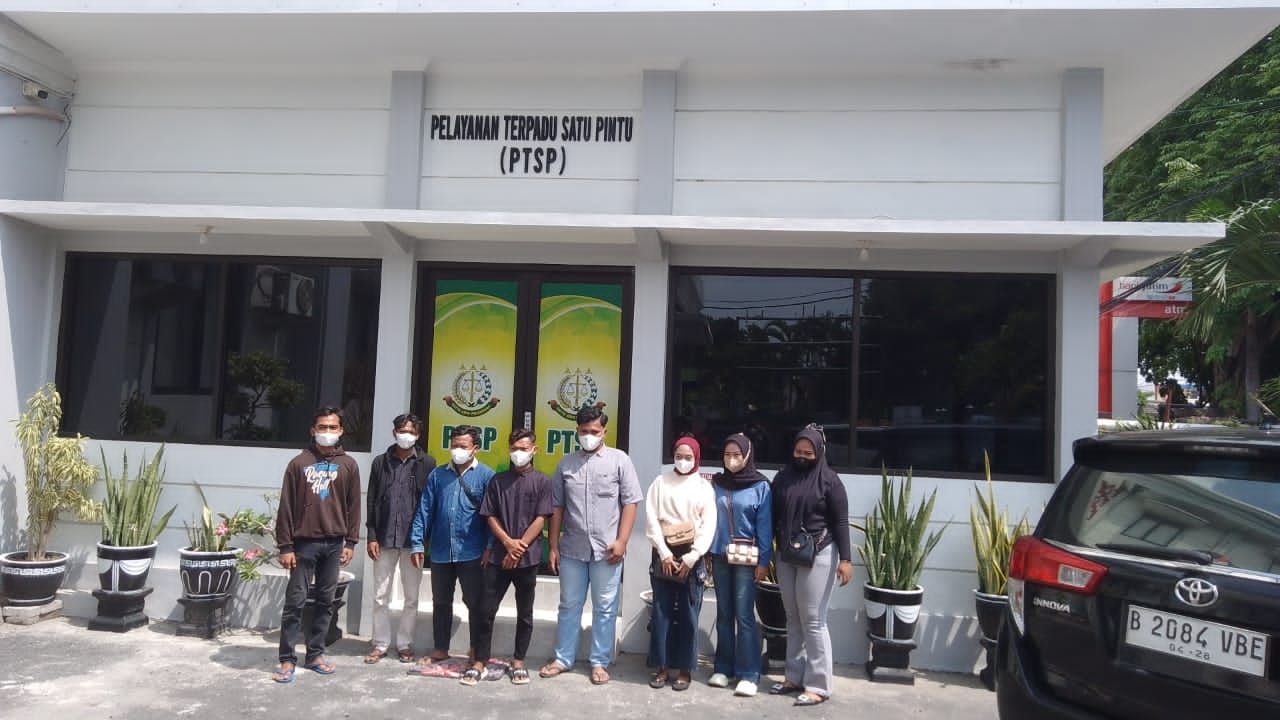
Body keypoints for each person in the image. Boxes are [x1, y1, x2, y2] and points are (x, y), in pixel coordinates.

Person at [539, 405, 642, 686]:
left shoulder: (620, 461)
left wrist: (622, 541)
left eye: (594, 431)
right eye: (584, 431)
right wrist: (553, 545)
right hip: (572, 549)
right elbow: (557, 507)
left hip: (607, 551)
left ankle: (599, 662)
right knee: (568, 605)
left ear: (604, 431)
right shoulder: (566, 464)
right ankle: (563, 658)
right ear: (577, 431)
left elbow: (631, 503)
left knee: (605, 608)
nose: (589, 436)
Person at [272, 406, 362, 684]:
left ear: (341, 430)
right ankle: (287, 658)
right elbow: (286, 506)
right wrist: (285, 546)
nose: (327, 432)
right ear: (313, 430)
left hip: (334, 544)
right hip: (304, 544)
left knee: (326, 601)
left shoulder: (349, 465)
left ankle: (315, 654)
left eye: (332, 427)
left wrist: (351, 542)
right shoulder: (299, 464)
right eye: (322, 427)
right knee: (295, 602)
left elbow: (354, 506)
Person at [769, 424, 853, 706]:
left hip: (819, 553)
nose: (802, 456)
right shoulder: (783, 478)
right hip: (787, 554)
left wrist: (846, 560)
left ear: (819, 452)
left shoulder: (830, 482)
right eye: (798, 451)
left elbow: (841, 522)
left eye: (808, 452)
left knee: (813, 620)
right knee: (792, 617)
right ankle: (793, 677)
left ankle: (819, 685)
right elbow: (773, 516)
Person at [409, 425, 496, 685]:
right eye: (455, 445)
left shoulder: (486, 476)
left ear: (475, 448)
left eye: (463, 446)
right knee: (441, 601)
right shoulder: (438, 475)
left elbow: (492, 516)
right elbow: (425, 509)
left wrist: (489, 547)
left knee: (475, 604)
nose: (457, 450)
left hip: (472, 552)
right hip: (440, 551)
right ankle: (440, 648)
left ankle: (476, 650)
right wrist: (417, 543)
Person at [473, 428, 554, 686]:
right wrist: (508, 543)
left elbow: (541, 518)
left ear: (534, 450)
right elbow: (489, 515)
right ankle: (480, 661)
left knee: (525, 613)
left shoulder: (543, 482)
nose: (519, 453)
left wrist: (519, 548)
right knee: (485, 610)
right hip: (499, 555)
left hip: (528, 559)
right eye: (515, 448)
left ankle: (519, 660)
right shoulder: (498, 481)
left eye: (524, 448)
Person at [644, 435, 716, 692]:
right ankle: (661, 667)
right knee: (662, 612)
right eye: (678, 456)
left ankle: (685, 670)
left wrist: (692, 556)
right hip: (663, 552)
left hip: (692, 555)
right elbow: (651, 519)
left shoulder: (703, 487)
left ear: (696, 458)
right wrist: (664, 553)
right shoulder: (660, 482)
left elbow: (708, 526)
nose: (683, 461)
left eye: (688, 457)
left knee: (688, 614)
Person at [364, 413, 436, 664]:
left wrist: (424, 539)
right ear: (394, 433)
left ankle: (405, 644)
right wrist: (371, 535)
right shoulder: (380, 462)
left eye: (411, 432)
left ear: (418, 435)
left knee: (411, 597)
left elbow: (430, 503)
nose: (406, 436)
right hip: (384, 538)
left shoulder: (427, 463)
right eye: (402, 431)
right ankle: (380, 643)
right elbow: (371, 499)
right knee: (380, 595)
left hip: (413, 541)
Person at [707, 433, 773, 697]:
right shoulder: (716, 483)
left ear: (747, 455)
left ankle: (749, 674)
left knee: (744, 616)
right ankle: (723, 668)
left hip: (747, 560)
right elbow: (707, 519)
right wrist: (707, 553)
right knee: (724, 614)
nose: (731, 459)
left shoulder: (760, 486)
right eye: (727, 454)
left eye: (737, 454)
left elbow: (765, 527)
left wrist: (764, 561)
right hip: (719, 555)